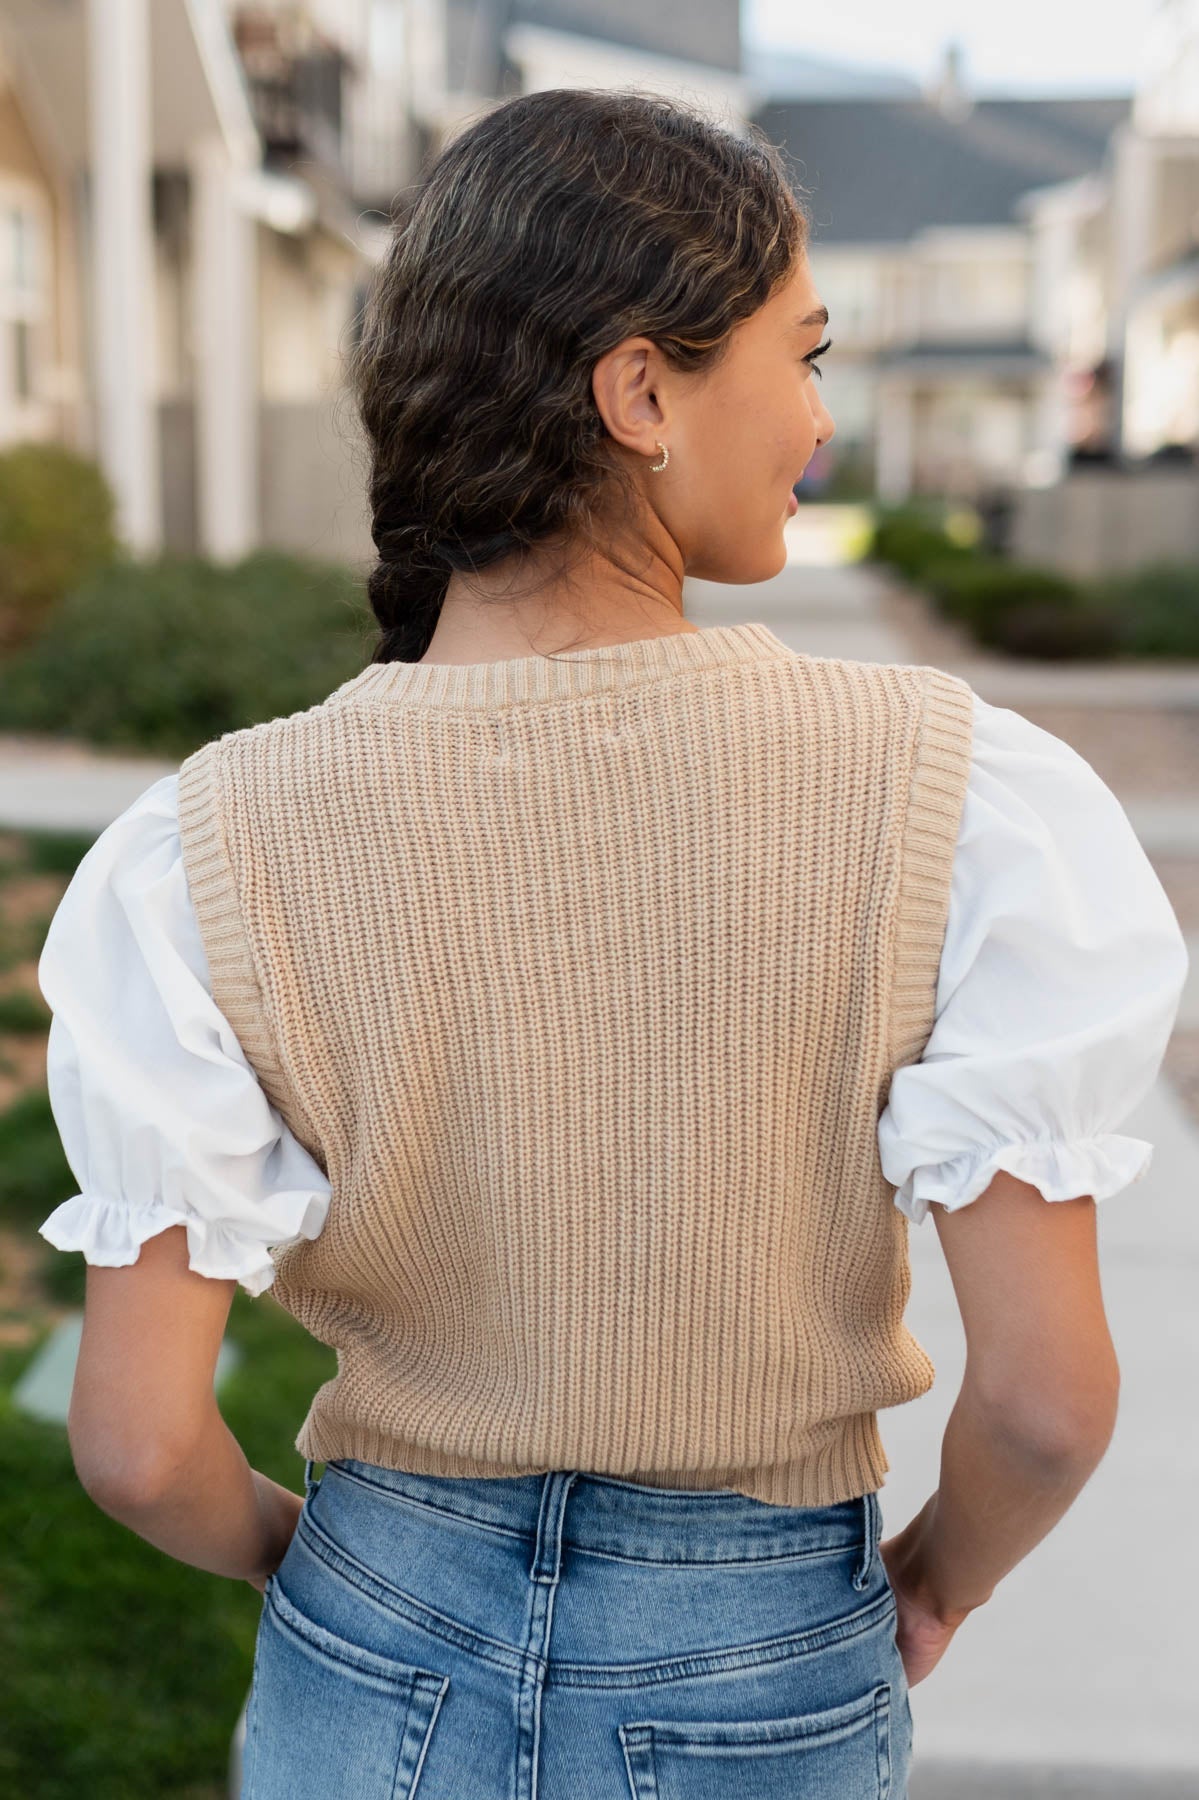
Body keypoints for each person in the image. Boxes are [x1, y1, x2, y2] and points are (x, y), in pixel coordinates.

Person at [36, 88, 1187, 1800]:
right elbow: (1044, 1407)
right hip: (763, 1638)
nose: (816, 415)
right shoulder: (960, 803)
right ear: (642, 390)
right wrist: (935, 1586)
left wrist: (345, 1583)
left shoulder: (202, 844)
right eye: (800, 355)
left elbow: (135, 1446)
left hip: (374, 1625)